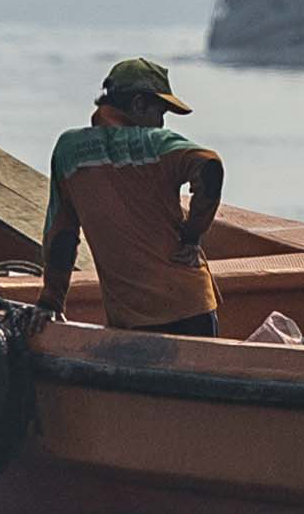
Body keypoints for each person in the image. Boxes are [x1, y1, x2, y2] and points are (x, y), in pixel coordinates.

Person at [38, 57, 227, 335]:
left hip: (131, 315)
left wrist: (51, 302)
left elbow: (61, 235)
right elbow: (210, 165)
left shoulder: (69, 151)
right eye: (159, 112)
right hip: (190, 306)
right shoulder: (156, 144)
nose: (161, 123)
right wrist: (192, 235)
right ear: (138, 104)